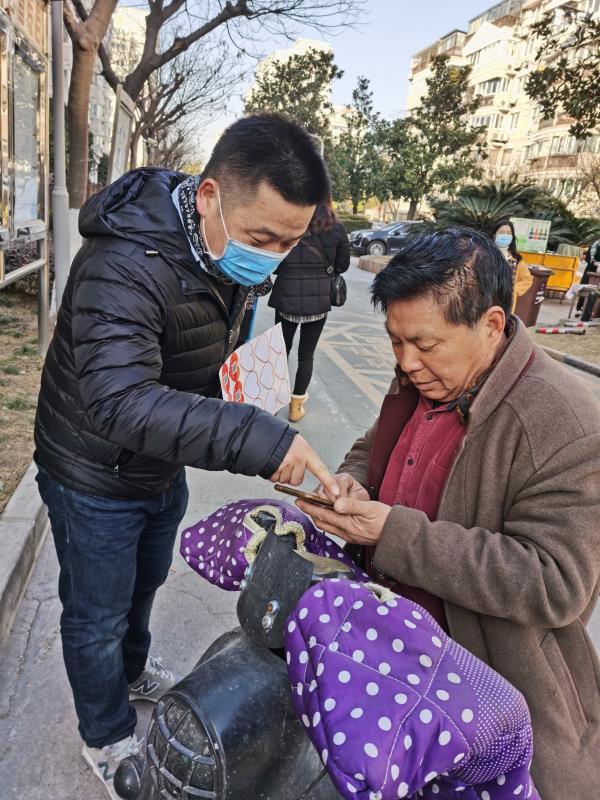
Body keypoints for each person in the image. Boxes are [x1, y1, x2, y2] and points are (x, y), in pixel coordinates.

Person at [33, 113, 340, 798]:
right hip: (92, 472)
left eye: (289, 243)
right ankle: (106, 735)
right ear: (209, 197)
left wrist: (239, 385)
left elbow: (196, 356)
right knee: (96, 615)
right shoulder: (123, 264)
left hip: (157, 463)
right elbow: (120, 401)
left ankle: (131, 672)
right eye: (263, 238)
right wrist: (263, 439)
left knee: (143, 585)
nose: (272, 257)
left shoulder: (218, 251)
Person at [296, 228, 600, 798]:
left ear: (491, 325)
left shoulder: (564, 422)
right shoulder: (428, 375)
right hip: (393, 654)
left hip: (484, 693)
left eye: (425, 345)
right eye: (395, 341)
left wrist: (394, 534)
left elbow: (556, 583)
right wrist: (353, 480)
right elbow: (374, 444)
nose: (407, 361)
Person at [268, 203, 350, 422]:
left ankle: (272, 403)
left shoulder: (289, 222)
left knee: (280, 352)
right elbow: (343, 265)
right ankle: (295, 408)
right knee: (306, 355)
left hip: (286, 298)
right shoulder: (336, 226)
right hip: (318, 301)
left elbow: (274, 262)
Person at [491, 218, 533, 312]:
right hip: (485, 300)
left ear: (512, 236)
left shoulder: (516, 259)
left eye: (508, 233)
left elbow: (527, 279)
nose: (505, 236)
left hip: (506, 304)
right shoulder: (486, 255)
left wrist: (514, 290)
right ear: (494, 235)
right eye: (502, 232)